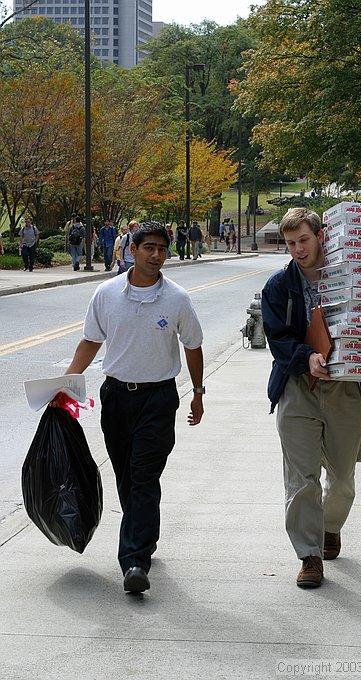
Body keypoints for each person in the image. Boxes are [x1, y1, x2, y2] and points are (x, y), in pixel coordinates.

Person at [57, 222, 205, 594]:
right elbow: (90, 343)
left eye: (162, 249)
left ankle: (134, 561)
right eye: (149, 248)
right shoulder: (107, 294)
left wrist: (198, 392)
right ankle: (144, 537)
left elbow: (193, 346)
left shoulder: (177, 299)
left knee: (143, 475)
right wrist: (64, 385)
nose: (156, 256)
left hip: (158, 398)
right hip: (117, 397)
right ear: (133, 250)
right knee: (126, 474)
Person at [261, 207, 361, 589]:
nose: (297, 249)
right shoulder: (278, 287)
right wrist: (306, 357)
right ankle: (309, 555)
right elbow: (277, 339)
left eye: (304, 241)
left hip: (346, 389)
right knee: (301, 481)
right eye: (291, 243)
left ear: (321, 237)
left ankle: (330, 526)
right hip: (298, 388)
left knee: (343, 479)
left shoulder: (353, 278)